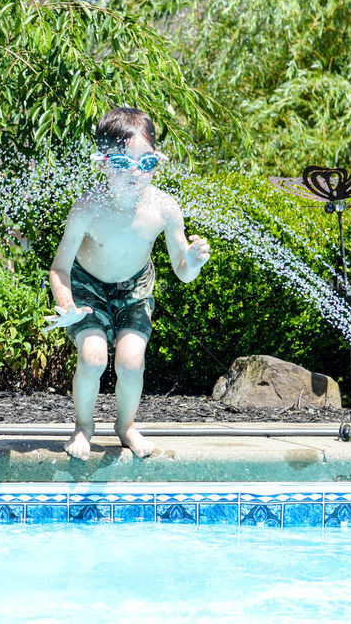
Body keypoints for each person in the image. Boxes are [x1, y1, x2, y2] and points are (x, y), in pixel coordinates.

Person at [44, 107, 211, 460]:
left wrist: (192, 262)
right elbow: (59, 268)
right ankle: (83, 427)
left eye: (147, 163)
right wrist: (66, 302)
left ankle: (126, 426)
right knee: (91, 359)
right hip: (88, 287)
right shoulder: (88, 207)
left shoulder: (164, 208)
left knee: (131, 363)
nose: (136, 172)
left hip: (136, 289)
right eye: (123, 163)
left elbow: (182, 271)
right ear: (104, 163)